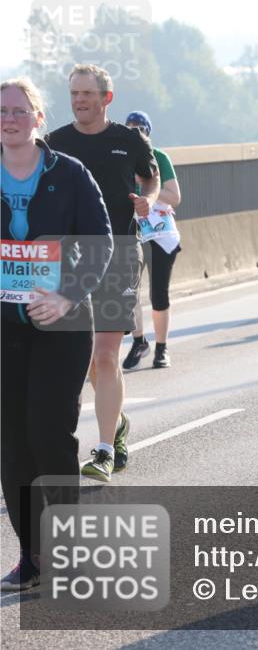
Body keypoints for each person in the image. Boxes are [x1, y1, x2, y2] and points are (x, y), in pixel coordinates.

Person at [1, 77, 113, 589]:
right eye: (2, 111)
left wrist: (67, 295)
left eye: (19, 110)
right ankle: (32, 556)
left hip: (63, 323)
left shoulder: (69, 173)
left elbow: (101, 243)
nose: (9, 119)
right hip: (5, 327)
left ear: (38, 118)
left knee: (49, 434)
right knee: (12, 445)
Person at [46, 64, 160, 482]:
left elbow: (151, 178)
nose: (79, 101)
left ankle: (105, 450)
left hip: (119, 252)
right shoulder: (54, 143)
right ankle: (119, 420)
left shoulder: (128, 140)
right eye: (74, 94)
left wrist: (147, 200)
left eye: (87, 94)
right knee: (83, 361)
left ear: (106, 98)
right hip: (72, 258)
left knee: (106, 355)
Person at [121, 111, 181, 369]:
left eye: (140, 129)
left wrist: (150, 189)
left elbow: (175, 197)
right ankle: (139, 341)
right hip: (133, 231)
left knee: (158, 292)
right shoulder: (120, 158)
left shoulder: (159, 158)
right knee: (130, 292)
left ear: (148, 132)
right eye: (130, 128)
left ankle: (162, 347)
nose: (135, 133)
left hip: (159, 231)